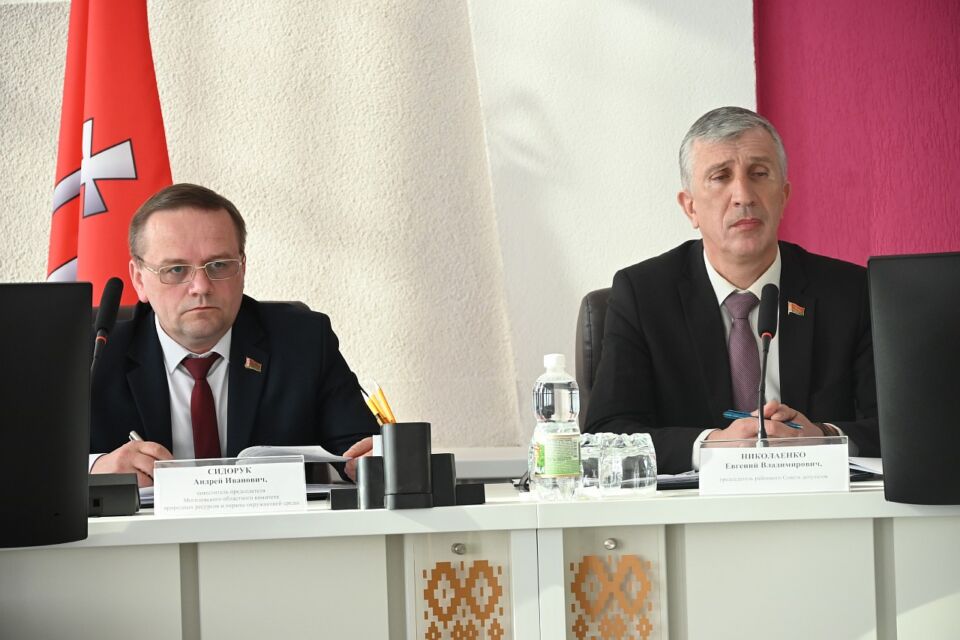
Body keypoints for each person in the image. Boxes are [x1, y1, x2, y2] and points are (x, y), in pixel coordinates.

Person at [584, 106, 879, 474]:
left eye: (759, 174)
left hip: (820, 497)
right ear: (690, 207)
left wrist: (823, 438)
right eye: (721, 177)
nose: (743, 195)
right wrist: (709, 445)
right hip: (695, 504)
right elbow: (605, 435)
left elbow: (900, 425)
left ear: (784, 195)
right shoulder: (643, 295)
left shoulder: (850, 292)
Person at [89, 183, 377, 486]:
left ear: (242, 268)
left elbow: (360, 449)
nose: (201, 286)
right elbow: (51, 460)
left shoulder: (303, 342)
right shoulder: (94, 356)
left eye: (218, 265)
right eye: (176, 270)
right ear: (139, 280)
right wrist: (94, 468)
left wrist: (366, 465)